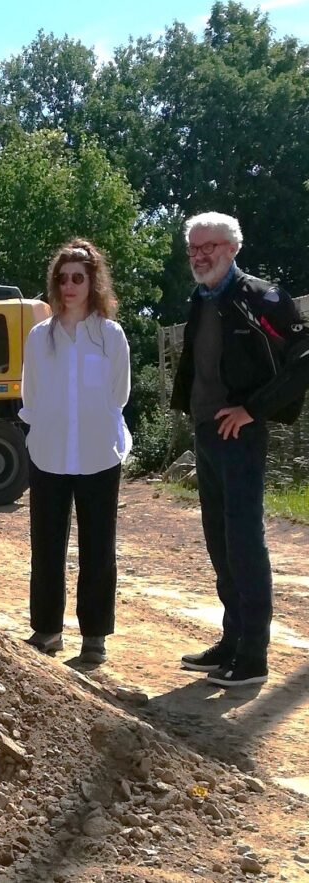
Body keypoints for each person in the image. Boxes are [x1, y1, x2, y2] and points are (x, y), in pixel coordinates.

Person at [171, 212, 309, 687]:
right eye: (193, 248)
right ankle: (231, 642)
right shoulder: (201, 298)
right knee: (219, 540)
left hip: (241, 435)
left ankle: (253, 656)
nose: (199, 255)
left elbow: (303, 359)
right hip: (207, 432)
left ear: (232, 248)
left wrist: (253, 409)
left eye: (208, 246)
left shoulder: (262, 297)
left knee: (244, 542)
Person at [19, 240, 132, 665]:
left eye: (77, 278)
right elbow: (29, 393)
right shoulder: (39, 337)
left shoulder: (110, 335)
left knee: (98, 549)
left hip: (98, 453)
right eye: (63, 278)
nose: (69, 286)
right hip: (48, 453)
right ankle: (47, 630)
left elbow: (119, 394)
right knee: (46, 546)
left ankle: (94, 637)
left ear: (92, 282)